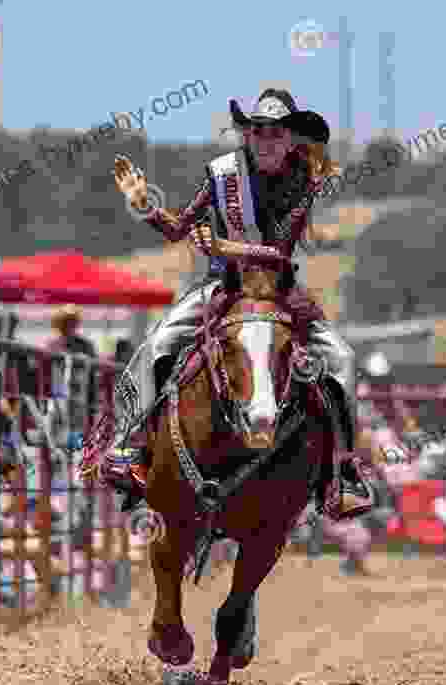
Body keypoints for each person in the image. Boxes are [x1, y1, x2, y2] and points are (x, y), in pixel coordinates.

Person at [80, 88, 374, 521]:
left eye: (275, 131)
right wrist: (147, 208)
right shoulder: (222, 174)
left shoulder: (306, 180)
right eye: (257, 130)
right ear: (248, 134)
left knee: (342, 358)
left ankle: (342, 472)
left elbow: (280, 252)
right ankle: (128, 445)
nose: (265, 139)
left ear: (292, 138)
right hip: (224, 287)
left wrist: (223, 243)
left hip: (279, 290)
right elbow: (180, 228)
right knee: (158, 342)